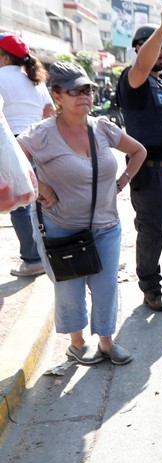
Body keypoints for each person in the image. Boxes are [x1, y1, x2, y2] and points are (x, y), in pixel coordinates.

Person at [17, 62, 146, 365]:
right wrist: (40, 189)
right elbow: (11, 163)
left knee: (106, 287)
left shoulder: (102, 127)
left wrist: (123, 180)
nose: (83, 95)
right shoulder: (41, 134)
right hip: (62, 228)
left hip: (106, 226)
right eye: (74, 90)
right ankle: (77, 343)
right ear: (57, 96)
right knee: (70, 291)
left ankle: (106, 342)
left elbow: (139, 151)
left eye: (87, 89)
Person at [117, 4, 162, 312]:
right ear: (140, 48)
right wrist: (161, 29)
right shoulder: (134, 81)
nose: (161, 53)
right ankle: (150, 287)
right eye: (156, 48)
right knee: (152, 232)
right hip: (151, 173)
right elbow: (142, 67)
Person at [0, 33, 56, 277]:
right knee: (36, 199)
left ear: (3, 57)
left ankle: (33, 259)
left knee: (18, 204)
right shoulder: (36, 81)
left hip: (11, 146)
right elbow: (50, 113)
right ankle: (42, 253)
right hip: (38, 143)